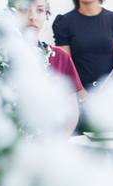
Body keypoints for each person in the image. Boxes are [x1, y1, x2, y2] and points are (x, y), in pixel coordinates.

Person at [18, 0, 84, 133]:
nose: (32, 17)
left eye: (40, 10)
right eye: (25, 10)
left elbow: (72, 113)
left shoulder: (60, 57)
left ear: (46, 16)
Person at [52, 0, 113, 91]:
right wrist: (81, 93)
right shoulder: (64, 22)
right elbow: (66, 67)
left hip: (110, 91)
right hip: (80, 92)